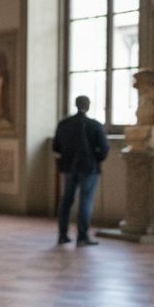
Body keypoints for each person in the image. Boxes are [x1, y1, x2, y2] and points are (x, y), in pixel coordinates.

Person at [53, 95, 108, 246]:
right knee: (86, 201)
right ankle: (82, 237)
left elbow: (56, 147)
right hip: (89, 168)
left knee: (66, 201)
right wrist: (95, 158)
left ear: (76, 105)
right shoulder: (94, 125)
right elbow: (104, 149)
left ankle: (62, 235)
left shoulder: (64, 124)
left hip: (69, 167)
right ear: (88, 106)